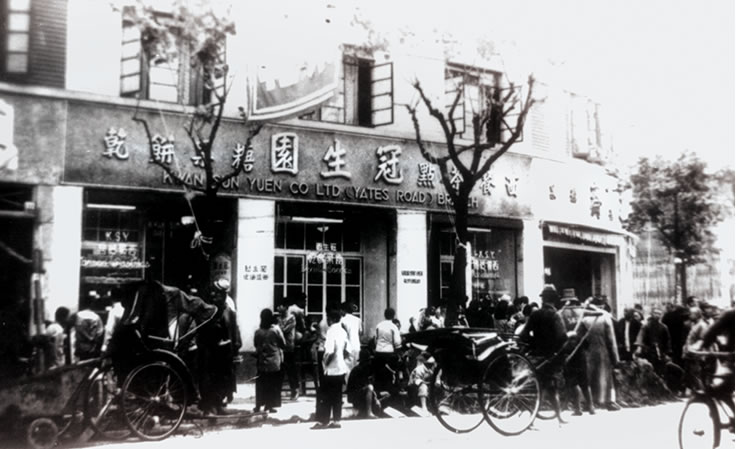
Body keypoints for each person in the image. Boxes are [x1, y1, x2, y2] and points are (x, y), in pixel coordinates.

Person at [518, 284, 567, 424]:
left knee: (544, 386)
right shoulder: (555, 315)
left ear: (543, 299)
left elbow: (523, 334)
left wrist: (533, 343)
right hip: (550, 356)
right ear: (554, 299)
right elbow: (561, 336)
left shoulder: (535, 314)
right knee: (549, 386)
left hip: (536, 355)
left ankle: (553, 417)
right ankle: (554, 417)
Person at [198, 279, 242, 415]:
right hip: (209, 351)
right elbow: (203, 331)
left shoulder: (229, 311)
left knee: (223, 378)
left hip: (225, 352)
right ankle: (208, 406)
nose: (215, 296)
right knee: (208, 378)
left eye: (219, 294)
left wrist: (235, 347)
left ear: (224, 295)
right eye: (214, 293)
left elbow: (234, 330)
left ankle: (218, 403)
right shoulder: (208, 310)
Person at [557, 289, 596, 416]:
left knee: (572, 381)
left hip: (568, 350)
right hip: (579, 350)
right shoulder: (581, 312)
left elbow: (560, 333)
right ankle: (591, 407)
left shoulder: (561, 314)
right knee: (584, 380)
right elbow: (585, 331)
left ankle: (578, 408)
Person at [313, 308, 350, 429]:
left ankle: (323, 421)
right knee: (337, 395)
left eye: (328, 319)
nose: (327, 321)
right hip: (340, 367)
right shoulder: (343, 331)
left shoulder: (331, 331)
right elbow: (347, 350)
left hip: (331, 368)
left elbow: (329, 351)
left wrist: (325, 363)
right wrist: (341, 358)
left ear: (333, 319)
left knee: (326, 395)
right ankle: (336, 420)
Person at [581, 296, 620, 411]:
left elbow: (581, 339)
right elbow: (611, 340)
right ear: (602, 306)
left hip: (588, 351)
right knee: (606, 377)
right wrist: (615, 358)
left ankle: (587, 403)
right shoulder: (606, 318)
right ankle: (609, 401)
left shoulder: (584, 319)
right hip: (603, 350)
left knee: (589, 377)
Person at [699, 308, 734, 411]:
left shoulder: (731, 314)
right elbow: (713, 331)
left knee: (722, 387)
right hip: (731, 357)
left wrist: (702, 344)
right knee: (724, 387)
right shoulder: (731, 314)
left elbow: (712, 331)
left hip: (732, 358)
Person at [254, 308, 285, 413]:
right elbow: (283, 343)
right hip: (274, 362)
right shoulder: (275, 330)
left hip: (262, 361)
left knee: (261, 384)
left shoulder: (258, 332)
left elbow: (256, 344)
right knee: (272, 384)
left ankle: (258, 405)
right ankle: (269, 405)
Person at [373, 307, 403, 395]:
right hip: (389, 353)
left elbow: (375, 339)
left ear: (384, 315)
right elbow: (397, 342)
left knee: (379, 373)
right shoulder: (393, 327)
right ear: (393, 316)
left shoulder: (379, 325)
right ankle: (389, 391)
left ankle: (379, 392)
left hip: (378, 352)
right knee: (389, 373)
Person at [346, 347, 380, 418]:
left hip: (360, 393)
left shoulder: (365, 369)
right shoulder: (358, 370)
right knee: (370, 387)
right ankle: (369, 412)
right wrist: (375, 398)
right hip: (355, 395)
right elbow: (362, 386)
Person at [277, 301, 300, 400]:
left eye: (280, 306)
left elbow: (283, 330)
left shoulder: (291, 318)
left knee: (291, 369)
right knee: (280, 369)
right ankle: (277, 392)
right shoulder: (279, 318)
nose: (278, 308)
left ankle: (295, 390)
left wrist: (278, 329)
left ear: (285, 307)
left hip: (289, 347)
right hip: (280, 347)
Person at [340, 301, 362, 372]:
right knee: (356, 367)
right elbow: (360, 333)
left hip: (347, 347)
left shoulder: (342, 320)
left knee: (347, 368)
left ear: (344, 310)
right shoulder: (358, 320)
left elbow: (342, 335)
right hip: (357, 346)